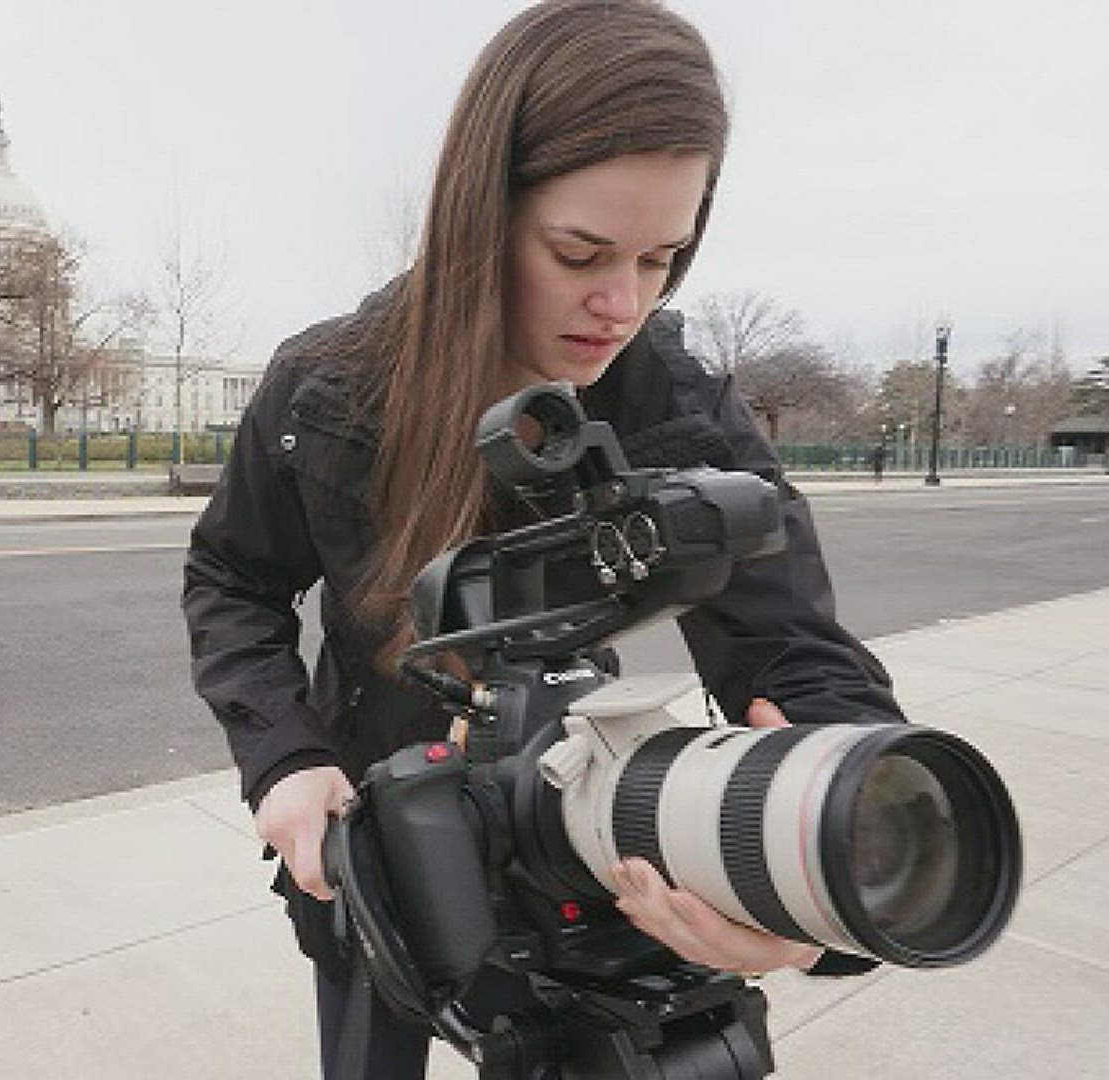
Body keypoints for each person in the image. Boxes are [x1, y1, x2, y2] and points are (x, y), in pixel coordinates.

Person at [183, 2, 904, 1076]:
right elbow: (232, 577)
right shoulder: (327, 391)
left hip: (575, 859)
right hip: (369, 849)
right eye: (580, 252)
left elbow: (795, 659)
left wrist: (821, 894)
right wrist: (285, 762)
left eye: (663, 257)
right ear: (485, 212)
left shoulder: (682, 411)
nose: (621, 304)